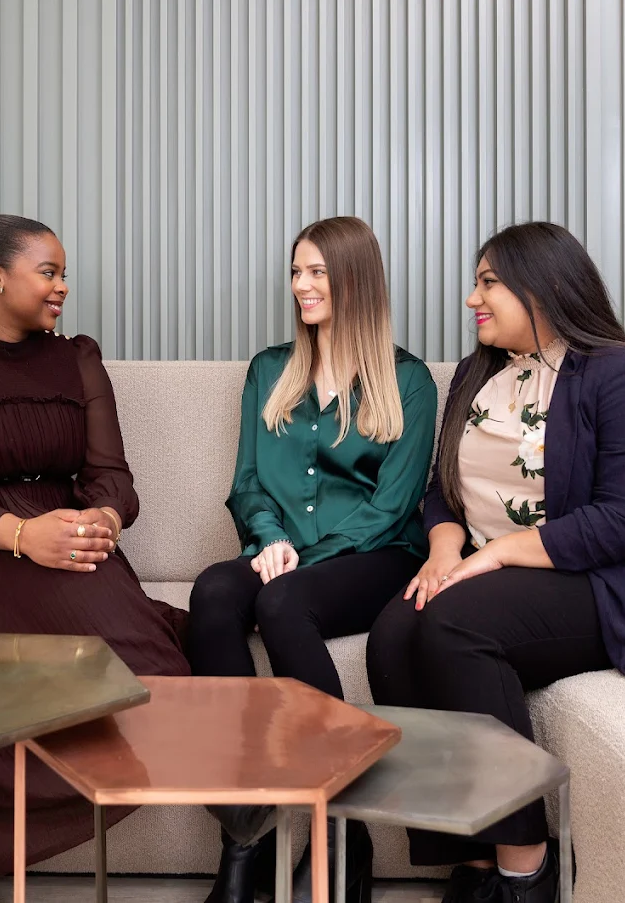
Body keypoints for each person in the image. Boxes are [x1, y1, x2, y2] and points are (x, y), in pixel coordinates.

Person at [365, 221, 625, 903]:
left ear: (546, 285)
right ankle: (468, 858)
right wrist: (445, 549)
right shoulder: (478, 374)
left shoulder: (624, 373)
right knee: (394, 630)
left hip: (615, 581)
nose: (473, 298)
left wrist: (495, 554)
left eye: (489, 282)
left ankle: (526, 869)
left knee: (454, 625)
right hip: (512, 572)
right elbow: (443, 490)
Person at [0, 214, 191, 903]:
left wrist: (102, 519)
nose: (62, 286)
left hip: (69, 532)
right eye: (47, 272)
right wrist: (25, 536)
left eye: (63, 273)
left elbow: (111, 474)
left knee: (155, 677)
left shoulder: (78, 358)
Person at [186, 216, 437, 903]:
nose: (301, 285)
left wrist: (301, 559)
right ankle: (246, 831)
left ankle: (342, 831)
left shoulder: (409, 381)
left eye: (317, 272)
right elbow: (246, 482)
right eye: (296, 271)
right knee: (212, 593)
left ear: (355, 279)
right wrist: (270, 538)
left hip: (375, 555)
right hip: (282, 552)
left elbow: (392, 508)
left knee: (281, 600)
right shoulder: (269, 371)